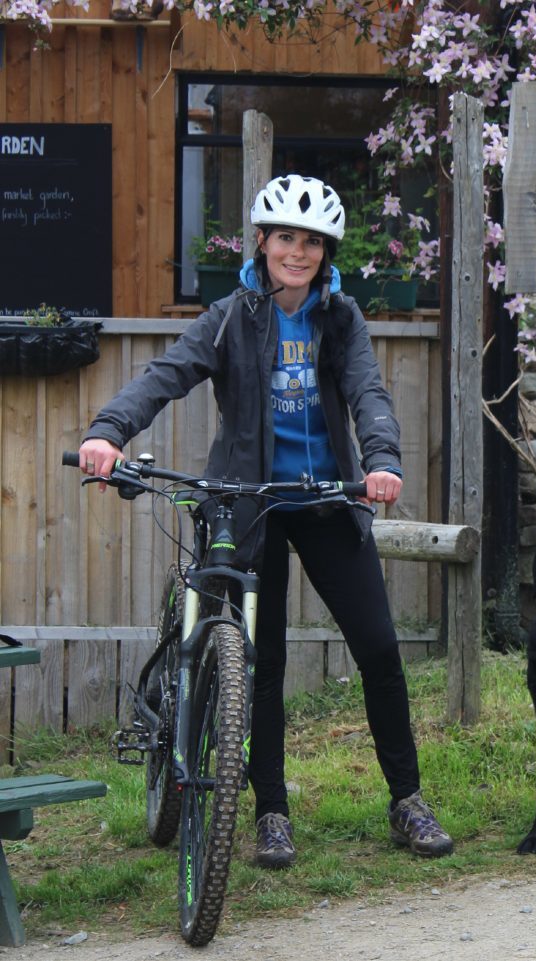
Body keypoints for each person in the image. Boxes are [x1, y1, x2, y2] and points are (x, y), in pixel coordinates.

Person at [78, 174, 453, 867]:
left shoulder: (339, 319)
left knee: (377, 646)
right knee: (264, 661)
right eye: (287, 237)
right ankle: (270, 811)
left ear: (326, 253)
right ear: (262, 241)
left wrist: (382, 458)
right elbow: (168, 373)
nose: (298, 251)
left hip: (327, 498)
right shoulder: (229, 316)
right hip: (250, 502)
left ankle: (407, 799)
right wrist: (108, 430)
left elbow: (369, 392)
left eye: (312, 242)